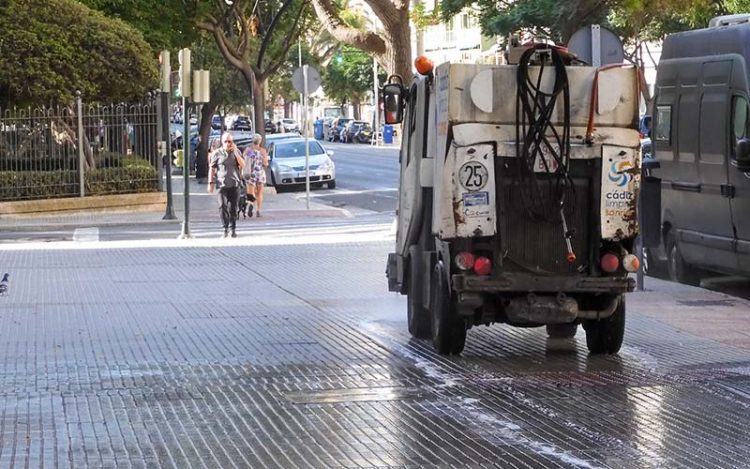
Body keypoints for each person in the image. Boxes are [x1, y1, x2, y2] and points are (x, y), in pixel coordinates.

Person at [208, 132, 245, 238]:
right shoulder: (217, 153)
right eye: (226, 141)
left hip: (235, 184)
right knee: (222, 206)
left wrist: (236, 154)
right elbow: (212, 168)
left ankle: (233, 229)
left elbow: (243, 165)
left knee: (233, 208)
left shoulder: (236, 152)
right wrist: (211, 182)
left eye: (230, 141)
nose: (228, 143)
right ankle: (225, 228)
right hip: (221, 184)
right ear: (222, 142)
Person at [242, 133, 269, 217]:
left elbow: (244, 160)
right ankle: (258, 210)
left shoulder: (249, 150)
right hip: (260, 173)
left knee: (251, 192)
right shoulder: (262, 151)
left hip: (251, 173)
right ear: (259, 141)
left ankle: (251, 204)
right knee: (260, 193)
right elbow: (265, 164)